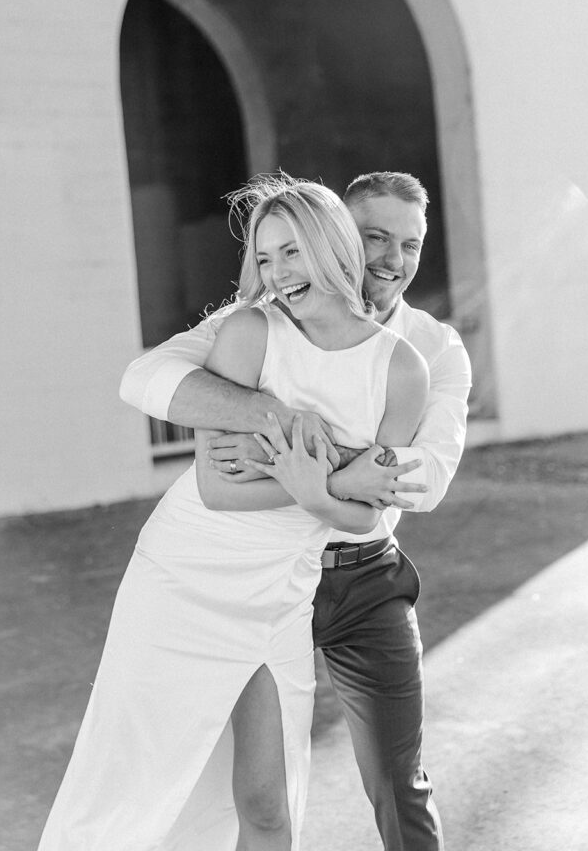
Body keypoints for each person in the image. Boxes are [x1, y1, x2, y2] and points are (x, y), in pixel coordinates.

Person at [37, 176, 429, 851]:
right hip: (185, 579)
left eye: (290, 252)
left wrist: (312, 487)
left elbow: (369, 516)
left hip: (281, 594)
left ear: (330, 244)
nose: (276, 273)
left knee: (266, 802)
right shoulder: (248, 334)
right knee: (133, 780)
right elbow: (217, 490)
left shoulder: (403, 369)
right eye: (265, 257)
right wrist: (336, 475)